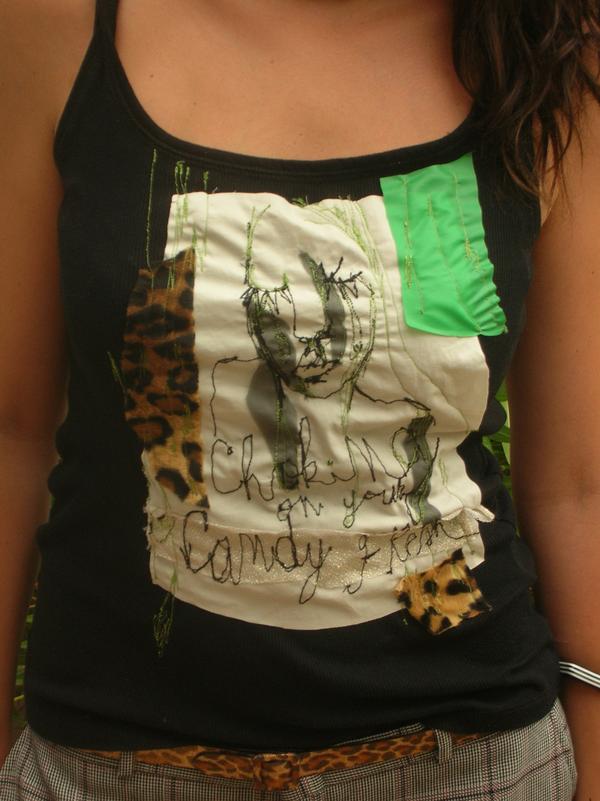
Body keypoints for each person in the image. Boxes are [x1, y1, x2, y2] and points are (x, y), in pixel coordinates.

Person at [0, 0, 599, 799]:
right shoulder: (60, 24)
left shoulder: (542, 44)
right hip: (107, 767)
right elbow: (12, 431)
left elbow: (580, 486)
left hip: (472, 762)